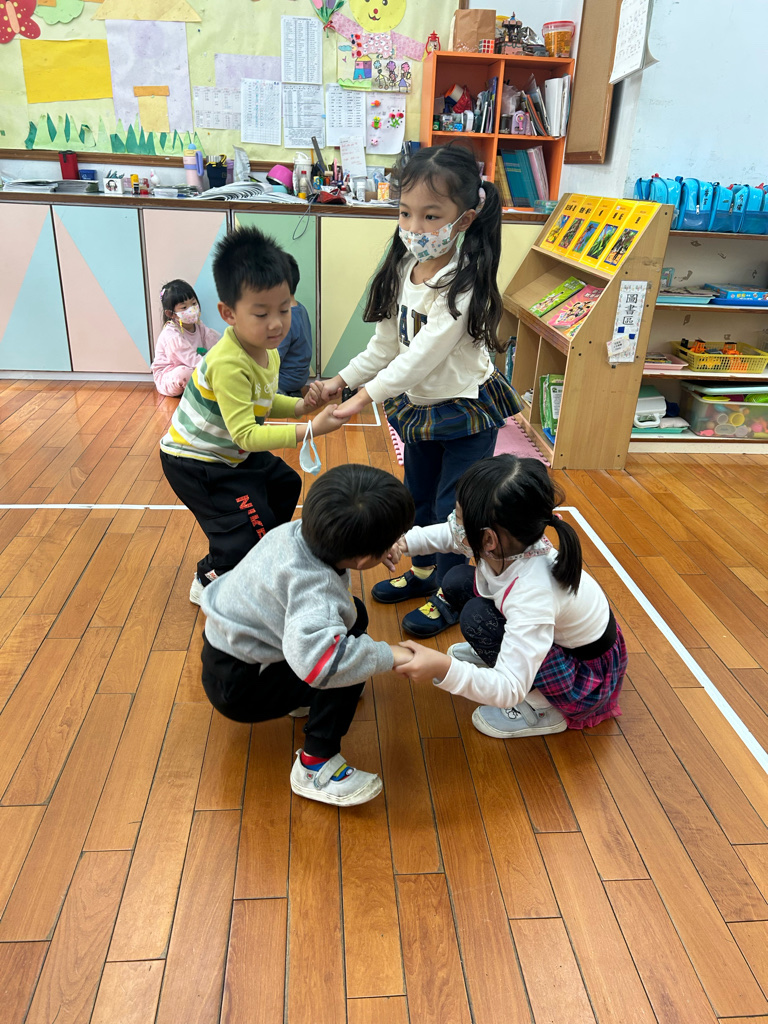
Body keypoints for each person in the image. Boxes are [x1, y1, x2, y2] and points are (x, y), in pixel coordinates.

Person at [320, 145, 522, 639]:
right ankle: (425, 573)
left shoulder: (463, 282)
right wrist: (339, 381)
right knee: (417, 498)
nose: (415, 227)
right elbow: (385, 346)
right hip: (422, 408)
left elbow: (421, 357)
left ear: (464, 219)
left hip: (466, 410)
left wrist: (361, 399)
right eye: (405, 213)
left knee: (456, 510)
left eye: (431, 216)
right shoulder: (403, 268)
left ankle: (452, 594)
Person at [200, 464, 415, 806]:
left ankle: (302, 696)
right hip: (241, 687)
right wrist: (389, 655)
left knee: (353, 615)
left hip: (230, 649)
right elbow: (326, 663)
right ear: (363, 559)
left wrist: (377, 545)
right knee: (346, 665)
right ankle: (315, 765)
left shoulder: (299, 532)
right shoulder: (317, 592)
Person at [160, 227, 344, 606]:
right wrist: (309, 429)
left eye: (284, 309)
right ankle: (210, 576)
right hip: (196, 463)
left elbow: (262, 401)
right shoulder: (228, 362)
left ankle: (260, 559)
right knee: (245, 531)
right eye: (261, 313)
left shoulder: (266, 348)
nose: (276, 323)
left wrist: (301, 407)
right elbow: (246, 434)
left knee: (284, 485)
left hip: (229, 453)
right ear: (228, 313)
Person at [392, 455, 627, 738]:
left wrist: (443, 667)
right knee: (457, 581)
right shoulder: (509, 542)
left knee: (475, 617)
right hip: (556, 637)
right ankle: (505, 657)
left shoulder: (532, 591)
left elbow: (509, 687)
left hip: (580, 676)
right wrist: (402, 543)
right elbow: (448, 536)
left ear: (488, 540)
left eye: (459, 517)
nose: (452, 521)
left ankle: (542, 709)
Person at [151, 280, 220, 397]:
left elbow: (213, 347)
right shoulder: (171, 335)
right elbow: (191, 359)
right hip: (169, 375)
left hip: (194, 366)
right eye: (184, 307)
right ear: (170, 313)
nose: (191, 309)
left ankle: (201, 385)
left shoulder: (199, 326)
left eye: (193, 303)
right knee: (185, 373)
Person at [277, 254, 313, 399]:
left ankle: (280, 394)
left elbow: (274, 359)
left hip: (285, 380)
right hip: (300, 378)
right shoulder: (300, 309)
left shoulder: (284, 319)